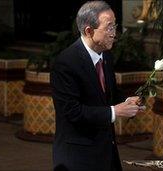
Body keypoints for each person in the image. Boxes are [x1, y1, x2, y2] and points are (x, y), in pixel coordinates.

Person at [50, 1, 144, 170]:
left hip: (107, 154)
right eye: (108, 27)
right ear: (89, 31)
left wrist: (128, 101)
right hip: (78, 158)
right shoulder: (66, 63)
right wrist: (115, 111)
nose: (114, 33)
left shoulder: (106, 56)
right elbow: (73, 112)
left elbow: (109, 94)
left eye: (114, 26)